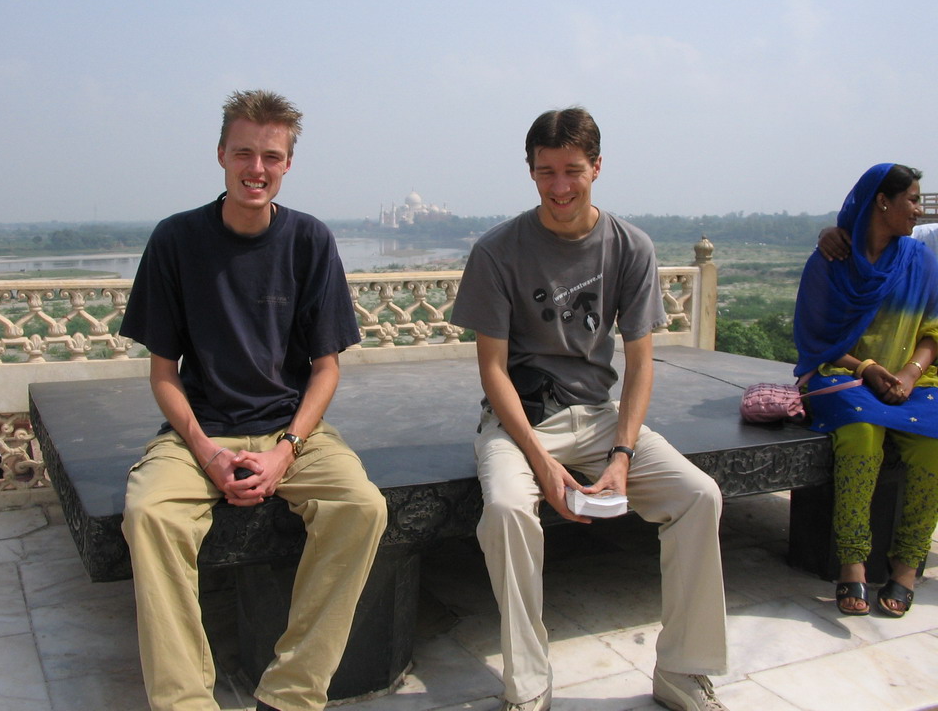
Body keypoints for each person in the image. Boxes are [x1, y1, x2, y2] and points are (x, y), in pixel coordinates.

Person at [450, 107, 728, 711]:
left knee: (699, 495)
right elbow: (492, 370)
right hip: (520, 419)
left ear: (597, 167)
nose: (559, 187)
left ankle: (683, 668)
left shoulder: (630, 247)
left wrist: (624, 454)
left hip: (599, 415)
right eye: (545, 171)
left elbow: (641, 363)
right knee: (505, 511)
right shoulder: (499, 251)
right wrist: (543, 466)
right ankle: (528, 683)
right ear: (530, 172)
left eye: (572, 170)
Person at [119, 90, 388, 711]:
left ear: (288, 164)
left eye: (271, 156)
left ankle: (291, 695)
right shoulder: (177, 240)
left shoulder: (309, 242)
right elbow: (163, 374)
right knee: (150, 516)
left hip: (290, 429)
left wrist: (286, 451)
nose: (256, 169)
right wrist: (208, 453)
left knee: (362, 507)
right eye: (244, 153)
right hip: (200, 430)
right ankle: (186, 701)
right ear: (221, 155)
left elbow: (325, 370)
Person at [793, 163, 938, 618]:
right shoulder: (832, 260)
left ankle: (907, 562)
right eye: (912, 199)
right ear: (882, 201)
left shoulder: (920, 261)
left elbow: (933, 332)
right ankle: (852, 561)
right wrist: (872, 368)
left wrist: (911, 374)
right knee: (860, 433)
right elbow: (817, 341)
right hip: (843, 375)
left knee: (934, 441)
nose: (918, 209)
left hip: (911, 380)